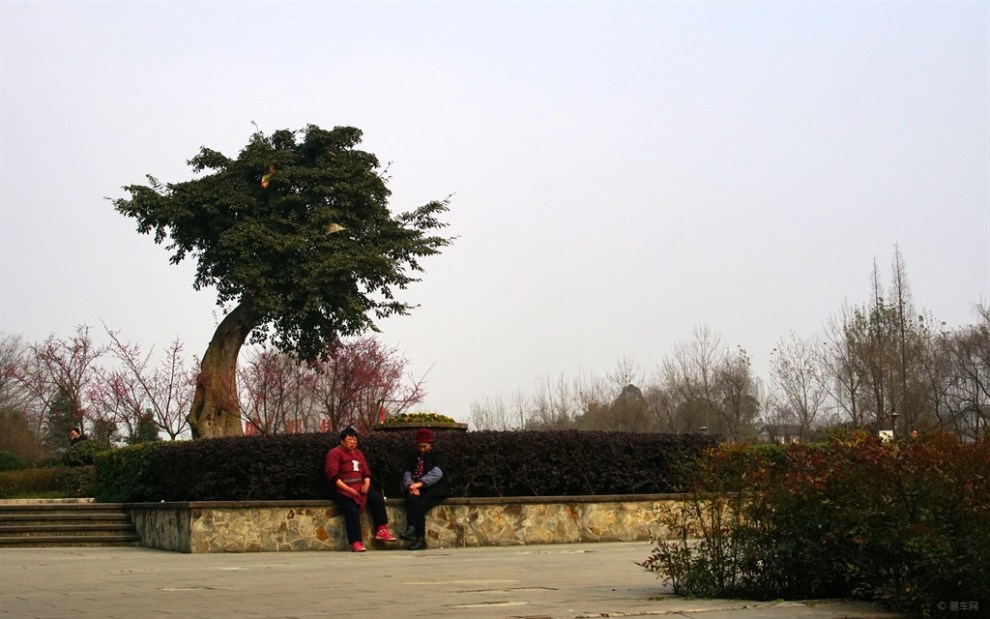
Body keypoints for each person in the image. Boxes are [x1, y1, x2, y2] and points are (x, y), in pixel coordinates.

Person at [325, 427, 397, 552]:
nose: (352, 442)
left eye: (354, 439)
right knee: (351, 510)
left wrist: (367, 483)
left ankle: (382, 529)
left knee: (377, 498)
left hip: (359, 487)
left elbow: (366, 472)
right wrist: (348, 489)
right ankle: (355, 542)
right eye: (349, 439)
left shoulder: (359, 453)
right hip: (341, 489)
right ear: (342, 441)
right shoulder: (335, 453)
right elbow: (332, 476)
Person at [400, 428, 448, 550]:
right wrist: (411, 485)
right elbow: (407, 471)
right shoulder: (413, 455)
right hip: (417, 487)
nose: (422, 449)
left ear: (430, 444)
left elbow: (437, 473)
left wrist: (420, 484)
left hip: (435, 489)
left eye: (424, 446)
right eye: (419, 447)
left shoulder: (439, 454)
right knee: (412, 499)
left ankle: (420, 539)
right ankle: (411, 529)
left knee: (420, 507)